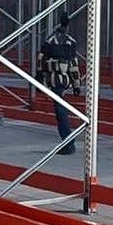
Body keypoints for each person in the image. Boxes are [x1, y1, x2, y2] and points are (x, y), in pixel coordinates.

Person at [36, 12, 81, 155]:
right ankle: (68, 141)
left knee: (60, 110)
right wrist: (76, 84)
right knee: (61, 109)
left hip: (55, 80)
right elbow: (74, 65)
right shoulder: (70, 41)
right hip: (64, 80)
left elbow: (41, 60)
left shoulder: (50, 40)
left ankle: (68, 142)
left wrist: (39, 79)